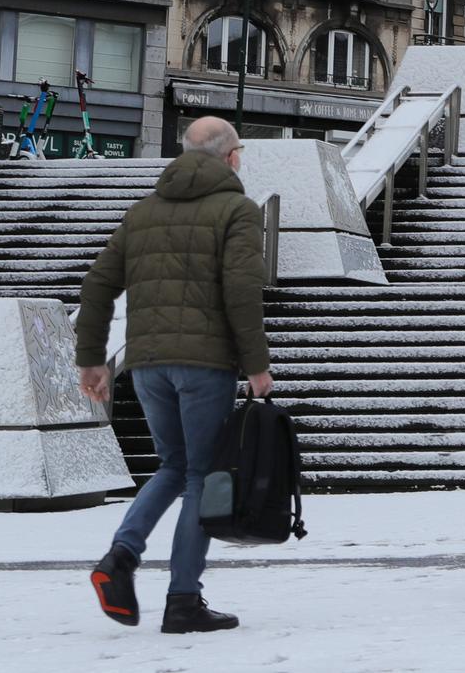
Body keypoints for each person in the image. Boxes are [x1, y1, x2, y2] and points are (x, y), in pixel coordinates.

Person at [75, 115, 271, 635]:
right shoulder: (238, 210)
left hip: (146, 366)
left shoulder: (143, 212)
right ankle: (184, 599)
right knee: (202, 477)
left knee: (174, 465)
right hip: (203, 365)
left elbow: (97, 285)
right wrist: (256, 365)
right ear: (231, 157)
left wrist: (91, 359)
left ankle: (120, 557)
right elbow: (241, 293)